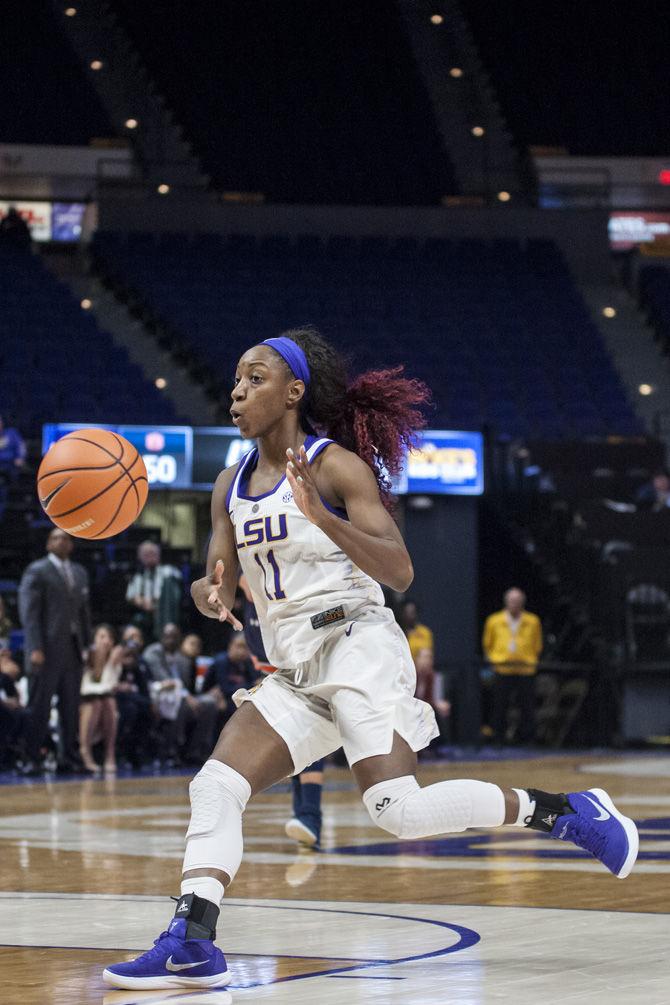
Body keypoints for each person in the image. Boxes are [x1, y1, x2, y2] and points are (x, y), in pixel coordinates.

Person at [103, 327, 639, 992]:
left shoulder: (336, 468)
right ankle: (192, 938)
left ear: (294, 392)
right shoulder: (226, 486)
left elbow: (401, 569)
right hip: (295, 672)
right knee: (214, 785)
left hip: (358, 647)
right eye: (236, 377)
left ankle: (564, 809)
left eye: (256, 376)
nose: (237, 388)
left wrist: (322, 519)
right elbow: (212, 574)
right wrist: (209, 591)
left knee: (397, 809)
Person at [238, 572, 323, 849]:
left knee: (309, 737)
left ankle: (309, 817)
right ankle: (305, 817)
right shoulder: (250, 603)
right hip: (276, 674)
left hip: (309, 667)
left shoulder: (288, 593)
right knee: (296, 742)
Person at [18, 527, 92, 775]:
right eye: (56, 537)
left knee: (70, 706)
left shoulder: (80, 572)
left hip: (73, 648)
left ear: (71, 545)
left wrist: (88, 645)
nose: (62, 541)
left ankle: (67, 757)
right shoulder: (37, 571)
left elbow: (84, 614)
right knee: (39, 705)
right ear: (49, 543)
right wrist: (34, 647)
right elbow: (30, 614)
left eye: (66, 538)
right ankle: (31, 758)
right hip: (46, 649)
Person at [143, 623, 218, 765]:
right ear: (161, 636)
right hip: (157, 696)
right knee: (181, 703)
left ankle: (195, 751)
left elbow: (188, 686)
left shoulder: (180, 656)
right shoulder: (153, 652)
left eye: (175, 637)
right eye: (168, 636)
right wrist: (185, 695)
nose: (171, 640)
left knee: (209, 703)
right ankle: (172, 751)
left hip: (178, 696)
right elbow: (164, 680)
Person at [482, 587, 543, 745]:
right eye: (511, 600)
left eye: (517, 601)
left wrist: (529, 658)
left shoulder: (533, 621)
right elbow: (487, 644)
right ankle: (498, 739)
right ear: (506, 601)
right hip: (502, 668)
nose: (514, 603)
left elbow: (538, 645)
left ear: (522, 602)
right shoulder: (494, 621)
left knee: (527, 707)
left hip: (526, 669)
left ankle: (528, 740)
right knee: (500, 706)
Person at [79, 624, 123, 774]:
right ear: (94, 639)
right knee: (95, 704)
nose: (106, 641)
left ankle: (110, 754)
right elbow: (85, 688)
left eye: (110, 638)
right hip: (82, 703)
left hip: (104, 704)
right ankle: (85, 750)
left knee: (108, 702)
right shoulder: (85, 656)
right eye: (102, 636)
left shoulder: (115, 660)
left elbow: (108, 686)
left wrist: (110, 663)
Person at [126, 541, 183, 643]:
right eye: (146, 554)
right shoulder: (138, 576)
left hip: (165, 612)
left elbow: (176, 587)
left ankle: (167, 631)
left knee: (168, 583)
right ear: (140, 557)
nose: (150, 557)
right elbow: (130, 596)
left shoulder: (168, 571)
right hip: (145, 614)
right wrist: (141, 601)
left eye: (153, 553)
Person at [114, 625, 152, 770]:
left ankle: (138, 753)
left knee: (145, 708)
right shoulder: (116, 655)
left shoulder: (141, 662)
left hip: (137, 700)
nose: (133, 641)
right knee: (131, 710)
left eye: (137, 637)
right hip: (117, 699)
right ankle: (122, 753)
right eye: (130, 637)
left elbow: (146, 687)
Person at [0, 646, 27, 770]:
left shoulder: (5, 678)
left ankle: (11, 754)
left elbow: (16, 698)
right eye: (4, 657)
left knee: (23, 713)